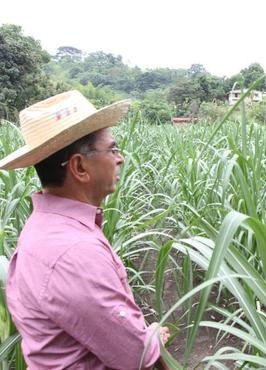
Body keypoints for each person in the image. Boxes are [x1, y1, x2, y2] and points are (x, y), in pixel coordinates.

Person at [2, 91, 170, 369]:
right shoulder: (73, 253)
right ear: (80, 167)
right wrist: (152, 338)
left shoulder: (46, 228)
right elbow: (136, 356)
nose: (121, 159)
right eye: (113, 149)